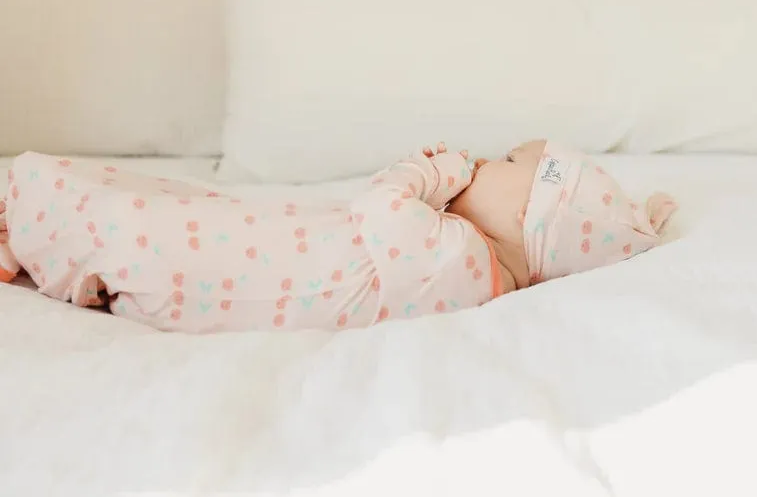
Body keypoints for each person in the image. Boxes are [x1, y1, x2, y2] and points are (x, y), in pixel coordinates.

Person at [0, 140, 677, 333]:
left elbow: (383, 202)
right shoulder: (469, 267)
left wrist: (430, 166)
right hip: (238, 256)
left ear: (532, 223)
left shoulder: (465, 261)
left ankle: (22, 215)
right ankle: (32, 240)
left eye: (505, 165)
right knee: (163, 205)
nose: (482, 159)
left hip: (209, 270)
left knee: (132, 225)